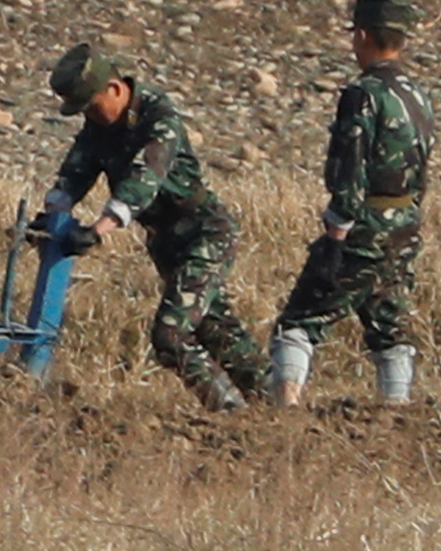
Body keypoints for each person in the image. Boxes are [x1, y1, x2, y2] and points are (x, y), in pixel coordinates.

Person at [35, 43, 271, 411]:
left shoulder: (159, 119)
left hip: (203, 233)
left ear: (115, 89)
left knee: (171, 334)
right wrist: (52, 211)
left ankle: (230, 415)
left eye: (93, 107)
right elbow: (76, 170)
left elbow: (143, 181)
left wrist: (98, 230)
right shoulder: (100, 126)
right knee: (215, 329)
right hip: (166, 243)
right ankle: (276, 402)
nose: (91, 117)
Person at [269, 0, 434, 407]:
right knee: (389, 328)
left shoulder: (362, 94)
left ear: (362, 36)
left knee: (300, 321)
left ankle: (281, 416)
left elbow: (350, 169)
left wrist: (335, 238)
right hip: (405, 225)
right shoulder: (419, 95)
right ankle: (396, 419)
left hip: (364, 225)